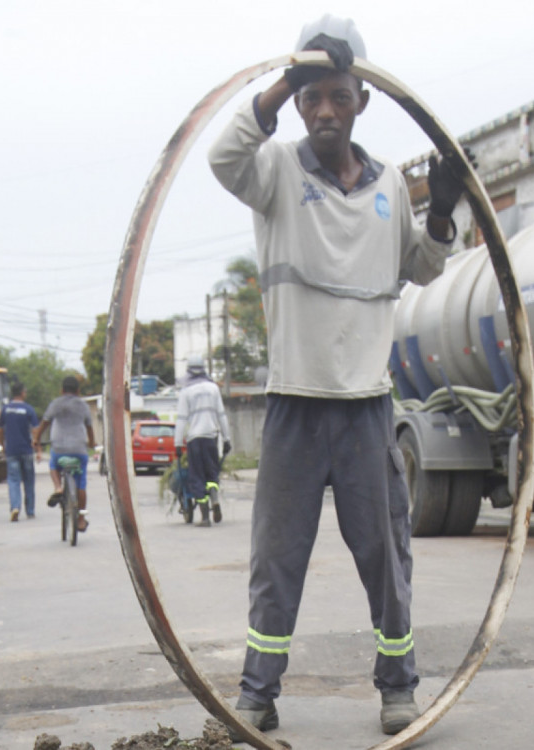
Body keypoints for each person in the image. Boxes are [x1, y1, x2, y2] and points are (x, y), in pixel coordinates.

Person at [207, 15, 464, 737]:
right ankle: (258, 692)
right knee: (277, 560)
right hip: (295, 405)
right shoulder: (276, 173)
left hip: (366, 408)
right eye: (311, 96)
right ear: (296, 101)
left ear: (362, 101)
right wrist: (284, 76)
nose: (325, 110)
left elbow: (420, 267)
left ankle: (398, 686)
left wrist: (442, 210)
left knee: (386, 556)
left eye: (338, 96)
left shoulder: (390, 185)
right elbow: (224, 156)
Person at [174, 355, 231, 527]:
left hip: (195, 440)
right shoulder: (213, 388)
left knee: (197, 477)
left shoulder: (186, 391)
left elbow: (181, 419)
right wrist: (227, 439)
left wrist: (178, 444)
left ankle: (205, 517)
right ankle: (215, 501)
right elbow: (221, 415)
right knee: (212, 474)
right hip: (211, 438)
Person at [39, 376, 96, 532]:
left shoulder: (56, 404)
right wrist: (92, 443)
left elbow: (44, 423)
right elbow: (90, 428)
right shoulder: (83, 406)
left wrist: (36, 439)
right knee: (81, 483)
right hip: (79, 450)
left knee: (53, 464)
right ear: (78, 391)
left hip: (59, 449)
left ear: (62, 390)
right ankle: (81, 520)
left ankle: (58, 488)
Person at [0, 382, 40, 522]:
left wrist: (2, 444)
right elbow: (35, 430)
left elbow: (0, 429)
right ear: (22, 393)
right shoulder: (28, 409)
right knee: (29, 481)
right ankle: (30, 511)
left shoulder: (5, 410)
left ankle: (15, 507)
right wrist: (38, 448)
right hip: (26, 450)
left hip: (12, 450)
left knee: (13, 480)